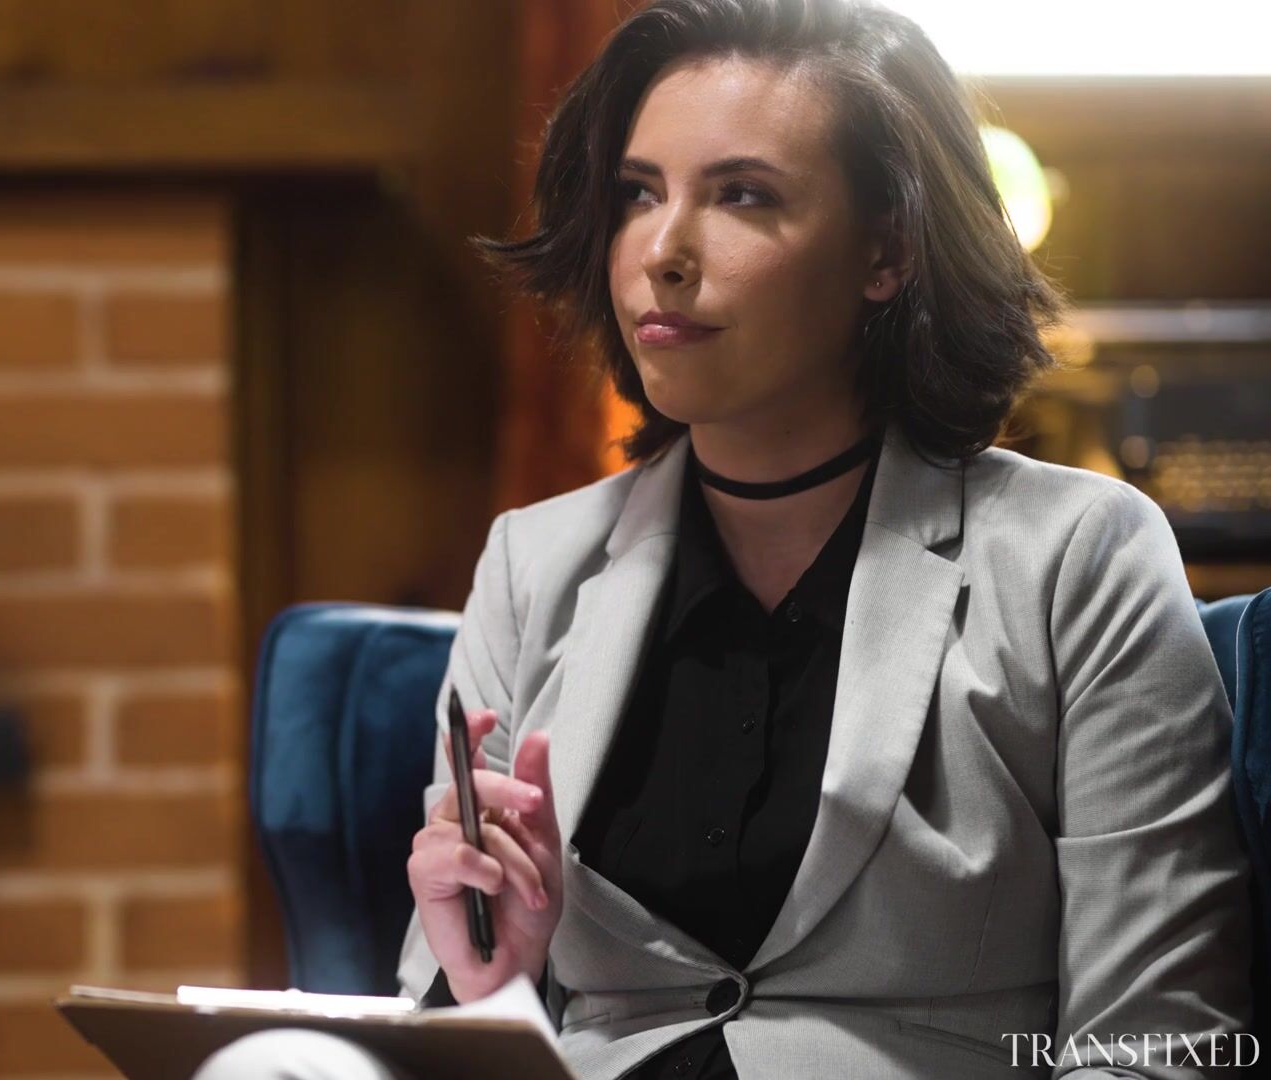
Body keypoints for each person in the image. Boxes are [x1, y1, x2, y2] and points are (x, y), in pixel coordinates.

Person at [196, 0, 1254, 1076]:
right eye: (638, 194)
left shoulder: (1077, 555)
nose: (663, 250)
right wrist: (495, 985)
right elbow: (454, 1025)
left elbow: (1158, 1040)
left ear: (887, 249)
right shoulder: (533, 563)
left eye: (743, 195)